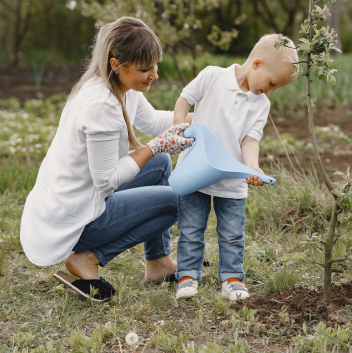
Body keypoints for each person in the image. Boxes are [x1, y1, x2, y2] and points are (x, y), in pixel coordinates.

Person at [20, 16, 194, 302]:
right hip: (73, 221)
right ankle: (89, 257)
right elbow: (106, 180)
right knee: (177, 199)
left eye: (156, 66)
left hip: (76, 202)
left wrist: (210, 120)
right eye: (145, 68)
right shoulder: (101, 106)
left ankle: (159, 263)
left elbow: (153, 121)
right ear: (116, 64)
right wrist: (154, 147)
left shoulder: (120, 87)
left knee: (160, 164)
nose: (155, 75)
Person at [172, 34, 299, 301]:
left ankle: (231, 278)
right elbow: (185, 99)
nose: (272, 90)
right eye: (272, 83)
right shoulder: (212, 76)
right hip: (196, 171)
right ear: (257, 63)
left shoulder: (261, 104)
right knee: (191, 229)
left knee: (231, 234)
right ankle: (187, 275)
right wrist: (178, 126)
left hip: (231, 180)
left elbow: (250, 140)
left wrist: (252, 166)